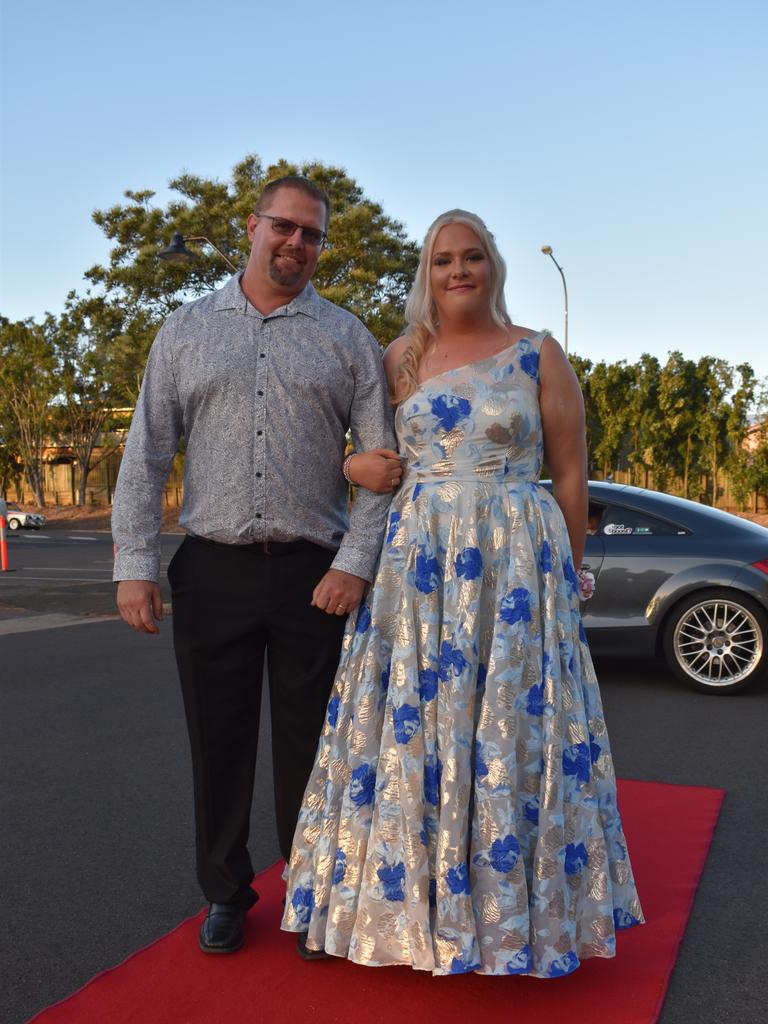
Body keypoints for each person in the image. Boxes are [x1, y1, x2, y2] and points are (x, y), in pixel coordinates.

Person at [281, 210, 644, 976]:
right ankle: (411, 914)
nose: (458, 271)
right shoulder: (400, 359)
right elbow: (363, 456)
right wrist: (351, 469)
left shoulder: (538, 354)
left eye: (472, 256)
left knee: (510, 730)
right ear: (428, 271)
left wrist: (564, 573)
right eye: (443, 259)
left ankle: (514, 919)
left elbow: (572, 470)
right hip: (420, 570)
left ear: (493, 265)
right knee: (422, 729)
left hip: (517, 562)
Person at [112, 175, 398, 955]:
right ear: (253, 226)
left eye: (311, 234)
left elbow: (384, 465)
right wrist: (133, 562)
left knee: (316, 749)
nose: (295, 244)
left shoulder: (347, 339)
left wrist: (356, 563)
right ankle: (227, 893)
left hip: (317, 575)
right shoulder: (185, 332)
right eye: (284, 226)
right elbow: (146, 455)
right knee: (220, 740)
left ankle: (311, 896)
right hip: (214, 568)